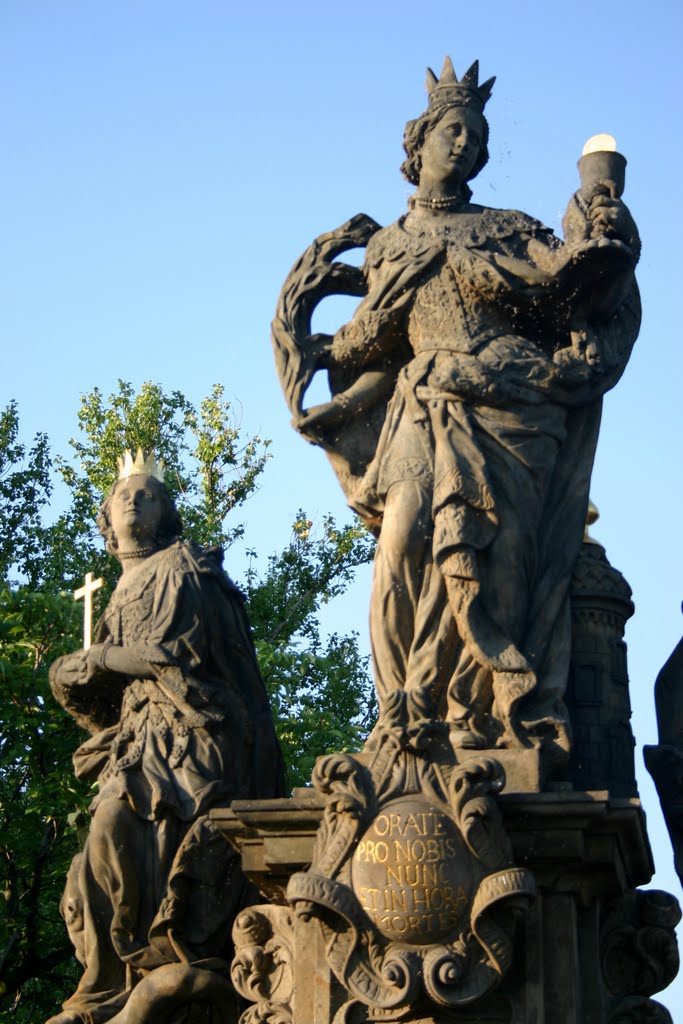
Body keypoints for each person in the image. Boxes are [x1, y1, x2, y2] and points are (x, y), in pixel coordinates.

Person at [283, 58, 641, 768]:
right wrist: (327, 350)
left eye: (475, 138)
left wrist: (600, 207)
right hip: (424, 404)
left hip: (511, 408)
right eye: (452, 132)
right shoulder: (389, 245)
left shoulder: (507, 228)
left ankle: (485, 714)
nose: (465, 146)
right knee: (402, 546)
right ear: (418, 145)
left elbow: (576, 280)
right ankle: (403, 710)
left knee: (505, 558)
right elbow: (366, 345)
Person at [48, 451, 285, 1024]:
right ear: (107, 516)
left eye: (148, 494)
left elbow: (171, 657)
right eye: (124, 494)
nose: (134, 499)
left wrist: (96, 659)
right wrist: (74, 677)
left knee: (115, 824)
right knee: (100, 844)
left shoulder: (180, 566)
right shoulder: (116, 588)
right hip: (141, 740)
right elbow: (109, 699)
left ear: (166, 514)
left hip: (191, 735)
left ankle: (153, 962)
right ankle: (107, 985)